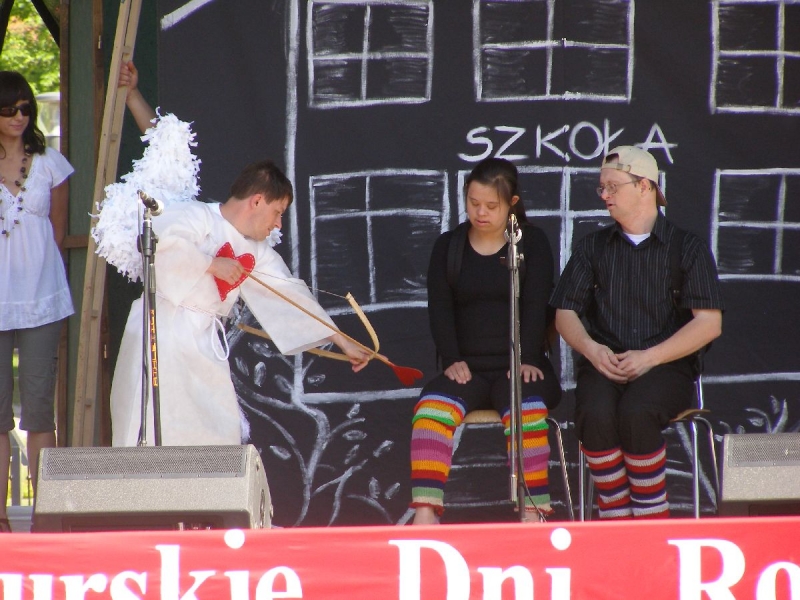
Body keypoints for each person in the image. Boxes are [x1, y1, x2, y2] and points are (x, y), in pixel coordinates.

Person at [110, 160, 372, 446]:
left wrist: (341, 340)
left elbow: (289, 294)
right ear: (257, 201)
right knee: (154, 425)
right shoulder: (198, 216)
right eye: (278, 212)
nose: (278, 223)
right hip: (162, 330)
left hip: (205, 344)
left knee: (217, 432)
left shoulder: (256, 252)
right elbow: (163, 243)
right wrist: (212, 264)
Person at [550, 146, 724, 519]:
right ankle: (615, 519)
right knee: (594, 413)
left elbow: (709, 323)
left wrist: (650, 357)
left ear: (645, 186)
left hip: (667, 366)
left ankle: (650, 522)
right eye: (601, 188)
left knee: (637, 412)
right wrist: (592, 350)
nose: (604, 195)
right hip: (604, 364)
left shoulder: (687, 247)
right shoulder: (592, 247)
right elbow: (564, 312)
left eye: (613, 186)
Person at [410, 157, 561, 525]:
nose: (480, 212)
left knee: (526, 412)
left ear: (512, 203)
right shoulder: (449, 246)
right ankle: (426, 513)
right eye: (473, 203)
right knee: (430, 411)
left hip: (521, 367)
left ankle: (533, 511)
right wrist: (451, 359)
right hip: (467, 369)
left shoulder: (533, 243)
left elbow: (538, 305)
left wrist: (527, 357)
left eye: (491, 206)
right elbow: (440, 309)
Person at [0, 71, 74, 532]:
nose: (19, 117)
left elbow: (58, 232)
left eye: (25, 108)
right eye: (9, 109)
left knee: (40, 409)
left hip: (43, 299)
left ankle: (47, 519)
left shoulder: (50, 162)